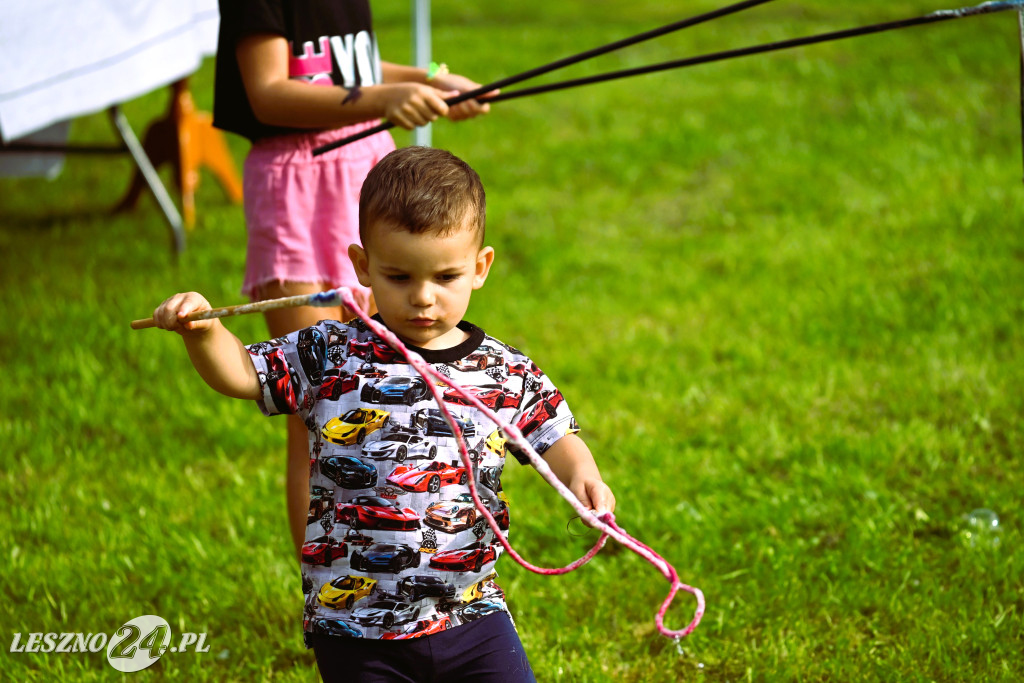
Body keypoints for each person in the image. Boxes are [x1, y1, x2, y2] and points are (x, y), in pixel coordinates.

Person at [151, 146, 615, 681]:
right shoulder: (329, 353)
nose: (423, 298)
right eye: (399, 277)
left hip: (470, 612)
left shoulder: (502, 372)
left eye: (445, 278)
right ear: (363, 266)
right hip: (354, 625)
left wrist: (583, 476)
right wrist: (205, 332)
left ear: (480, 268)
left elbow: (555, 436)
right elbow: (241, 374)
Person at [213, 0, 495, 560]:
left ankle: (398, 552)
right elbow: (269, 91)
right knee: (315, 404)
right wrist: (387, 100)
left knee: (390, 380)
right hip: (297, 178)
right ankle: (328, 589)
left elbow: (346, 68)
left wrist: (430, 81)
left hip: (365, 169)